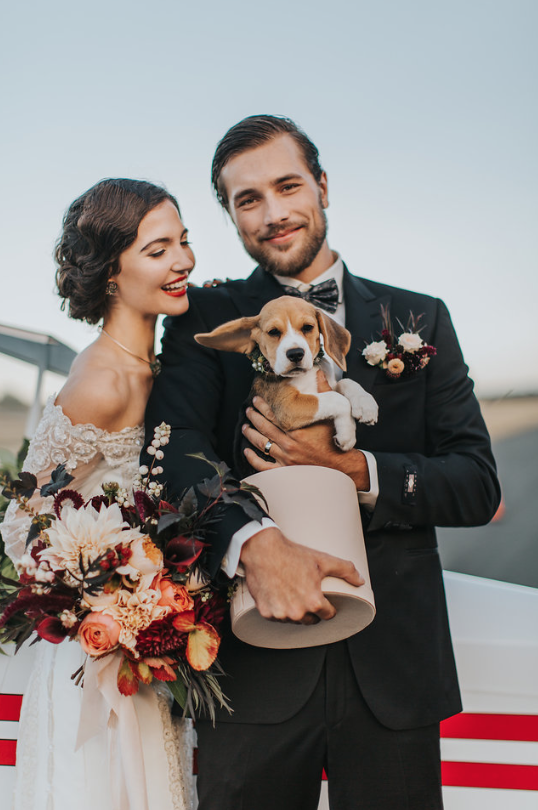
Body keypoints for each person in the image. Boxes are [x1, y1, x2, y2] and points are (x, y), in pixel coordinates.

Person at [145, 116, 501, 810]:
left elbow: (477, 484)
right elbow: (173, 453)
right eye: (248, 199)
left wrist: (356, 470)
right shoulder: (201, 318)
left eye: (287, 186)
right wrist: (253, 543)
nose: (273, 214)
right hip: (251, 671)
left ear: (323, 185)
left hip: (394, 676)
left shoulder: (420, 318)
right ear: (230, 214)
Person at [3, 178, 196, 810]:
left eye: (185, 243)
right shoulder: (101, 383)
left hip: (148, 653)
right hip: (94, 661)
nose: (184, 261)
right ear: (112, 272)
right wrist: (106, 595)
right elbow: (20, 522)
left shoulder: (159, 367)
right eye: (159, 249)